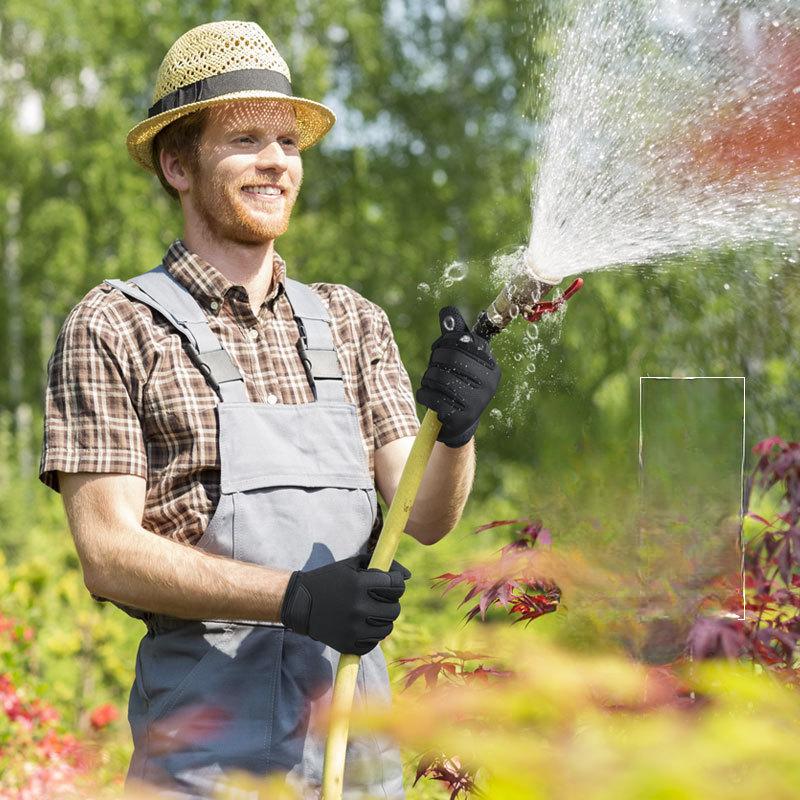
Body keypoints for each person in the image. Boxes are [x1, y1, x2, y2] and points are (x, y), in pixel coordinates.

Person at [38, 20, 500, 800]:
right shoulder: (115, 325)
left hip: (357, 763)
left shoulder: (352, 322)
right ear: (176, 163)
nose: (276, 162)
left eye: (289, 142)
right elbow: (108, 552)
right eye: (246, 138)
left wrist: (454, 431)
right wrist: (293, 599)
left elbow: (423, 515)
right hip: (206, 770)